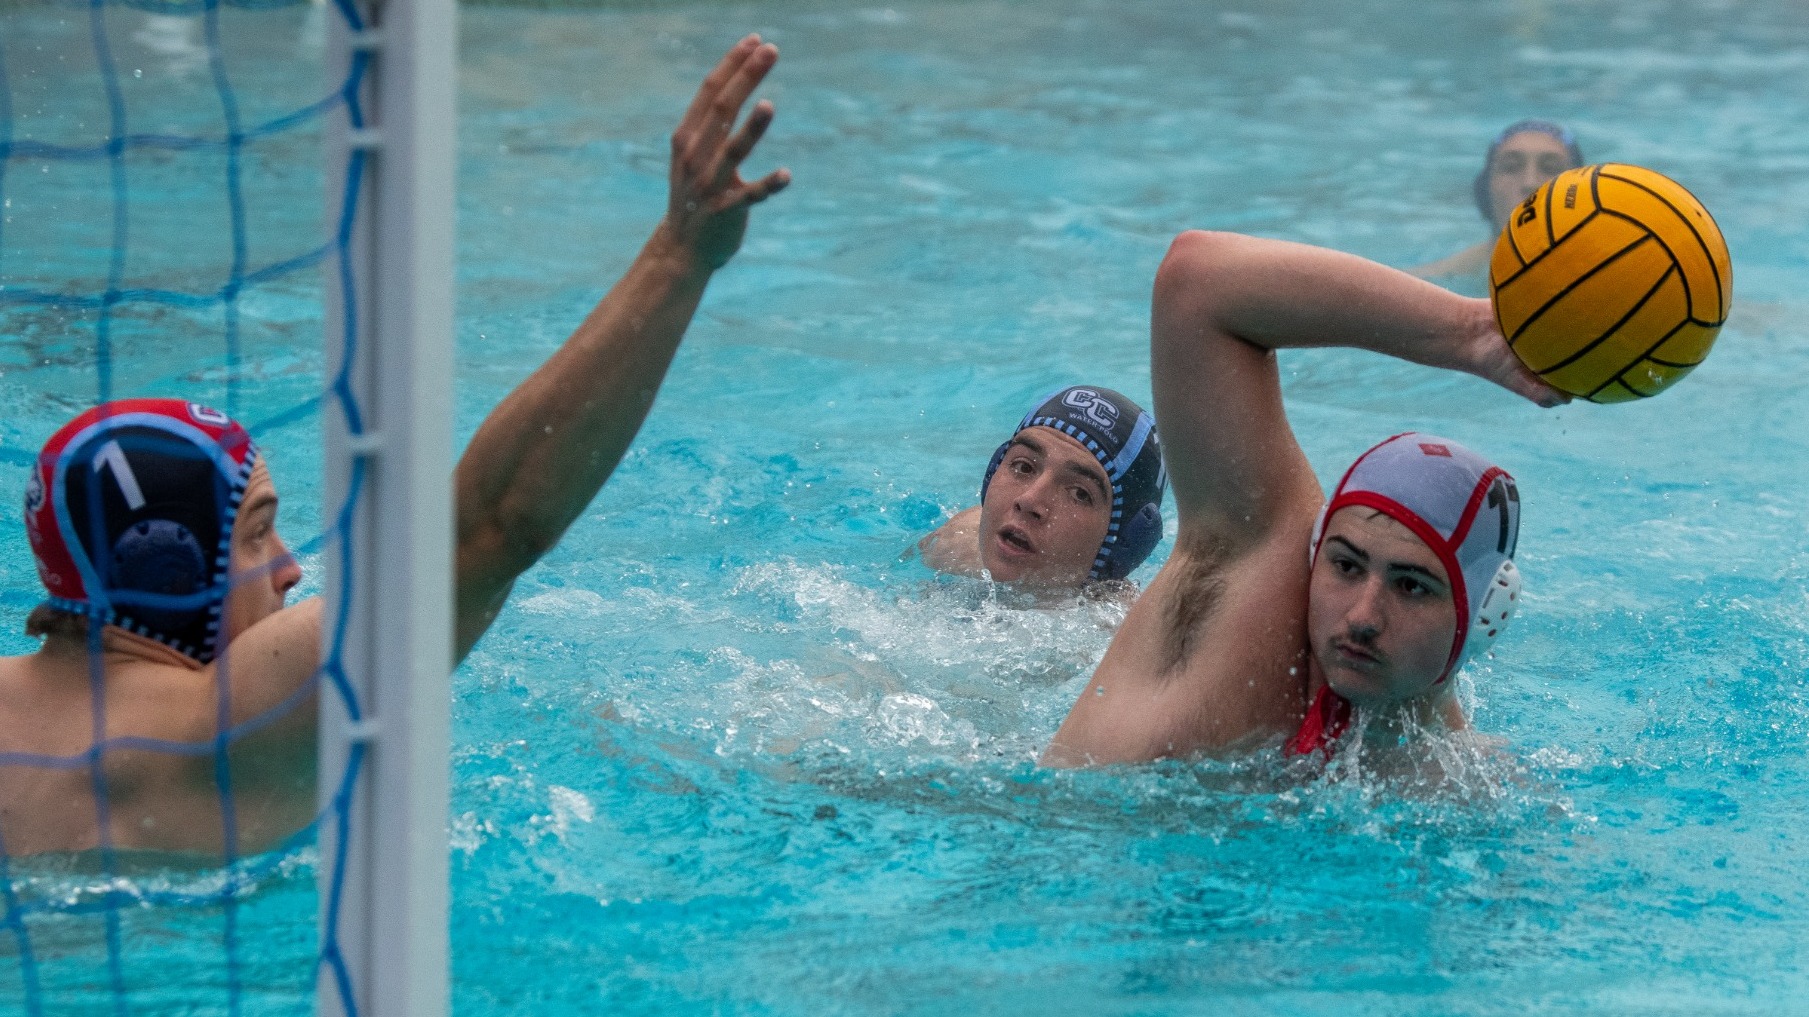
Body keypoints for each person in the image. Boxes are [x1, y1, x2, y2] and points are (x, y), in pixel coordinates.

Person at [0, 35, 790, 856]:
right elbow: (492, 524)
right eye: (256, 530)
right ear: (163, 567)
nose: (290, 565)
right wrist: (679, 258)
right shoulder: (231, 727)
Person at [1042, 230, 1566, 768]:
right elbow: (1198, 281)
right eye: (1344, 565)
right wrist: (1475, 334)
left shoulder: (1464, 783)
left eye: (1411, 586)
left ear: (1483, 616)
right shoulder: (1256, 591)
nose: (1362, 616)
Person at [916, 385, 1167, 592]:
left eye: (1079, 494)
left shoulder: (1124, 643)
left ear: (1121, 544)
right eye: (1024, 467)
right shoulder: (950, 548)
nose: (1028, 501)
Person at [1412, 119, 1584, 279]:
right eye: (1511, 168)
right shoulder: (1435, 280)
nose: (1530, 183)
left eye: (1549, 168)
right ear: (1486, 191)